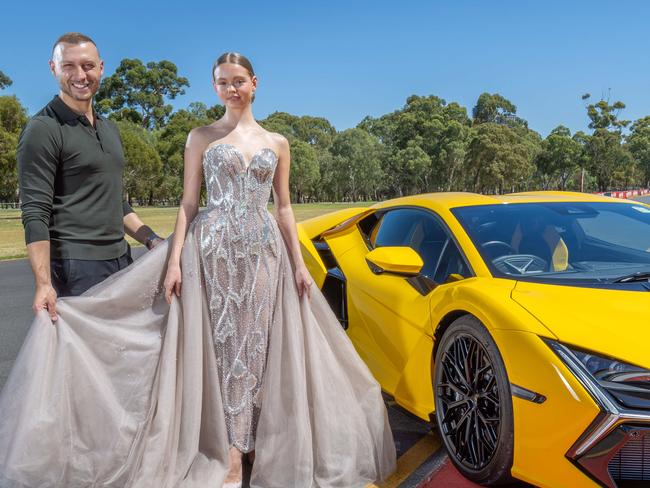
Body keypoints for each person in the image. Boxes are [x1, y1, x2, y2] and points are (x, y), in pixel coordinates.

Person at [0, 52, 396, 488]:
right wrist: (172, 259)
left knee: (261, 346)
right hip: (215, 253)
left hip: (264, 252)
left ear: (255, 83)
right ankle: (227, 451)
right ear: (215, 87)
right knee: (223, 348)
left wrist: (300, 265)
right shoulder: (200, 137)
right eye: (223, 82)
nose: (232, 89)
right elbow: (189, 204)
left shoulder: (277, 142)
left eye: (239, 81)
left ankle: (258, 444)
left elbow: (283, 208)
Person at [17, 32, 163, 321]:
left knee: (121, 355)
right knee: (86, 363)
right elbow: (34, 212)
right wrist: (44, 284)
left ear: (101, 68)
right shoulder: (43, 129)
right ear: (53, 68)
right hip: (76, 267)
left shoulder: (109, 129)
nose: (80, 75)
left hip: (121, 259)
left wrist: (151, 240)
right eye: (68, 66)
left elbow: (113, 202)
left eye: (87, 66)